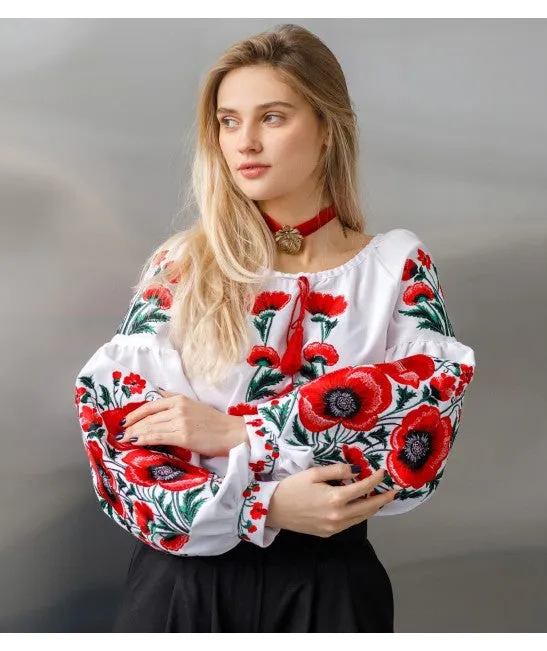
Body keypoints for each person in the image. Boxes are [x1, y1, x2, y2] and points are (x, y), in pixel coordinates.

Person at [74, 23, 476, 633]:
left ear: (327, 130)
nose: (246, 143)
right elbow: (118, 447)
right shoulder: (181, 266)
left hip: (328, 588)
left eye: (273, 117)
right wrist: (263, 506)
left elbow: (419, 439)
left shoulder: (395, 266)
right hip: (183, 590)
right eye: (229, 121)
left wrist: (236, 432)